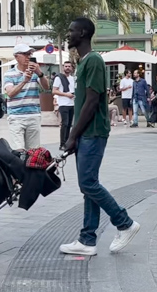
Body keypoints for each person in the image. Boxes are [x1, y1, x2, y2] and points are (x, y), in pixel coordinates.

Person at [59, 18, 141, 256]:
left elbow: (93, 101)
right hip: (87, 132)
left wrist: (73, 135)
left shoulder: (93, 60)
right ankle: (87, 239)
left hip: (92, 132)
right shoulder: (83, 62)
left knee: (88, 183)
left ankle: (124, 223)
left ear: (83, 33)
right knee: (88, 185)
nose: (68, 34)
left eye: (71, 30)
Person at [3, 43, 48, 151]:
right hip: (16, 117)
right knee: (18, 151)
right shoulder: (9, 74)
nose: (28, 56)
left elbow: (46, 87)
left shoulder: (35, 72)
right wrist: (24, 81)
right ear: (16, 57)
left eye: (29, 54)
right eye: (25, 54)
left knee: (33, 153)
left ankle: (30, 168)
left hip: (33, 115)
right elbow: (10, 93)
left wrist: (40, 73)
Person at [52, 60, 76, 151]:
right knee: (65, 124)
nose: (67, 68)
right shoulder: (59, 78)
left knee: (69, 124)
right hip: (63, 104)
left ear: (72, 68)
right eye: (66, 66)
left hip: (72, 103)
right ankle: (62, 144)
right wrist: (66, 94)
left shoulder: (72, 78)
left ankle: (67, 143)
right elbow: (54, 91)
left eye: (69, 66)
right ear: (63, 67)